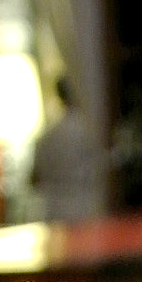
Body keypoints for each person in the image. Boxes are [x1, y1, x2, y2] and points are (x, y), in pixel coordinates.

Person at [32, 78, 105, 223]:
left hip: (56, 207)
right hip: (84, 205)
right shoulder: (87, 130)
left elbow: (35, 177)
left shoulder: (49, 135)